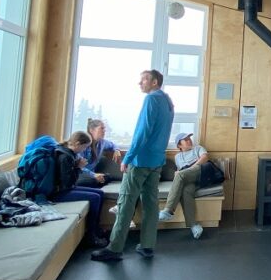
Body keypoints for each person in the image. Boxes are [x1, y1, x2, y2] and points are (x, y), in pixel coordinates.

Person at [92, 69, 174, 261]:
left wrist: (128, 157)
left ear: (154, 82)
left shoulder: (151, 99)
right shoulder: (168, 101)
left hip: (141, 161)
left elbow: (143, 132)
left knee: (126, 202)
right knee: (151, 204)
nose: (140, 83)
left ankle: (115, 248)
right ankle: (147, 245)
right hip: (156, 161)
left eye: (144, 80)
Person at [19, 131, 107, 247]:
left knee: (100, 193)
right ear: (77, 144)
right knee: (95, 197)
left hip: (61, 188)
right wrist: (78, 167)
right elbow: (68, 184)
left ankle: (95, 228)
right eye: (84, 147)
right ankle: (91, 236)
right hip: (56, 192)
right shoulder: (65, 156)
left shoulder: (64, 150)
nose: (84, 150)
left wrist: (76, 167)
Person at [158, 132, 206, 240]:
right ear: (179, 145)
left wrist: (188, 170)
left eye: (189, 138)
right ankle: (193, 225)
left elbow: (204, 158)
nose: (189, 140)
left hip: (199, 171)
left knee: (180, 175)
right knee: (186, 191)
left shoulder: (198, 148)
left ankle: (168, 210)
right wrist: (178, 172)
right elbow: (180, 170)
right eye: (186, 139)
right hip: (188, 178)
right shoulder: (177, 157)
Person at [78, 118, 120, 186]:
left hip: (93, 177)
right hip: (81, 176)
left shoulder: (102, 143)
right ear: (92, 130)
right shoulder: (83, 144)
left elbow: (113, 145)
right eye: (102, 128)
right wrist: (93, 175)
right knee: (98, 180)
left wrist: (117, 150)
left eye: (104, 128)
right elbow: (78, 166)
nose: (104, 131)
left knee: (108, 177)